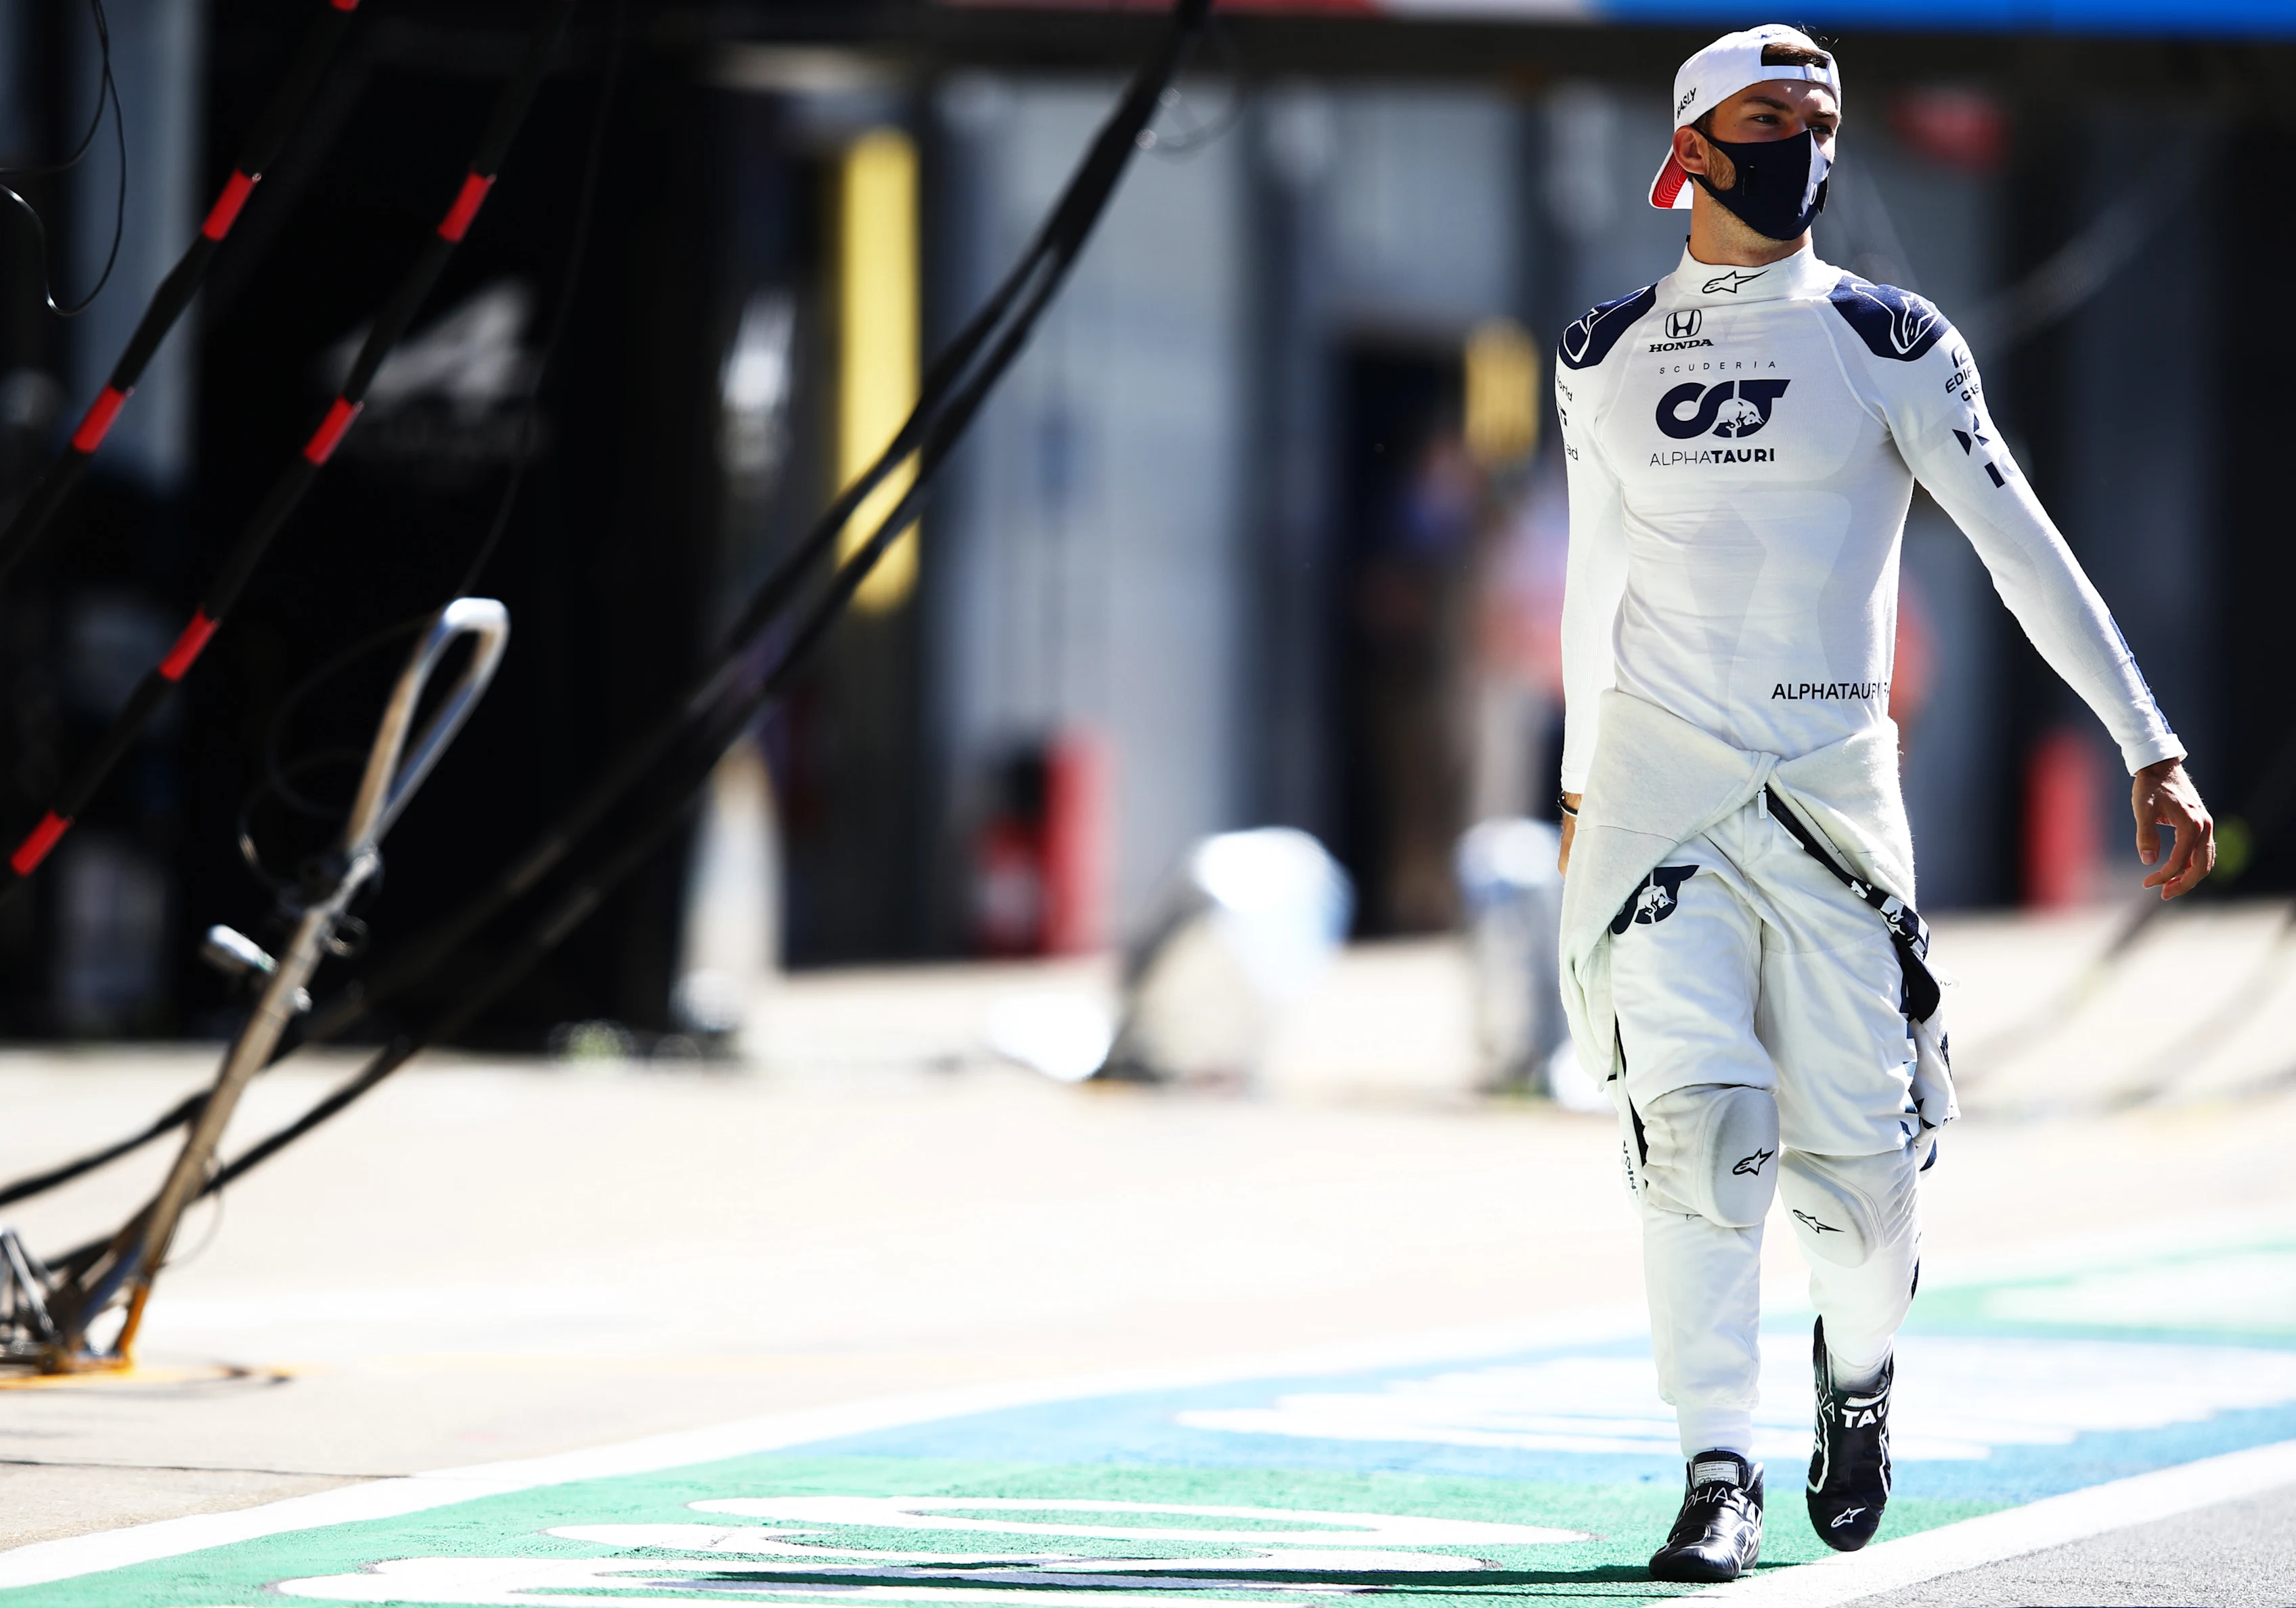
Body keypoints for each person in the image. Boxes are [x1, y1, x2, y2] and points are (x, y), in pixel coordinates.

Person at [1548, 24, 2214, 1584]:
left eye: (1823, 119)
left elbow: (2018, 547)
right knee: (1698, 1136)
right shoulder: (1600, 355)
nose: (1807, 144)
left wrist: (2146, 740)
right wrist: (1580, 792)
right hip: (1658, 797)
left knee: (1856, 1189)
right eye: (1771, 116)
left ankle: (1857, 1377)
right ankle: (1718, 1469)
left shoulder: (1892, 340)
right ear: (1694, 147)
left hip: (1833, 802)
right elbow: (1596, 592)